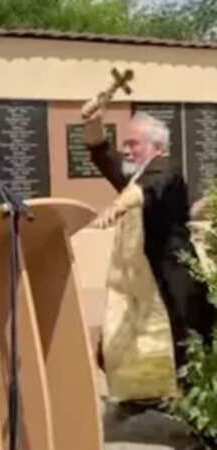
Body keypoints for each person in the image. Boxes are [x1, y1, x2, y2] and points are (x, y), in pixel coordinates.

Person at [83, 106, 215, 406]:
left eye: (134, 144)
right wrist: (92, 122)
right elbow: (101, 154)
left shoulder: (167, 169)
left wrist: (117, 206)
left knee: (182, 344)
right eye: (126, 144)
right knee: (118, 344)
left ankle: (192, 412)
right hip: (138, 284)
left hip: (172, 281)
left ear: (156, 148)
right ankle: (143, 398)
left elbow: (148, 189)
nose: (126, 150)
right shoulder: (134, 174)